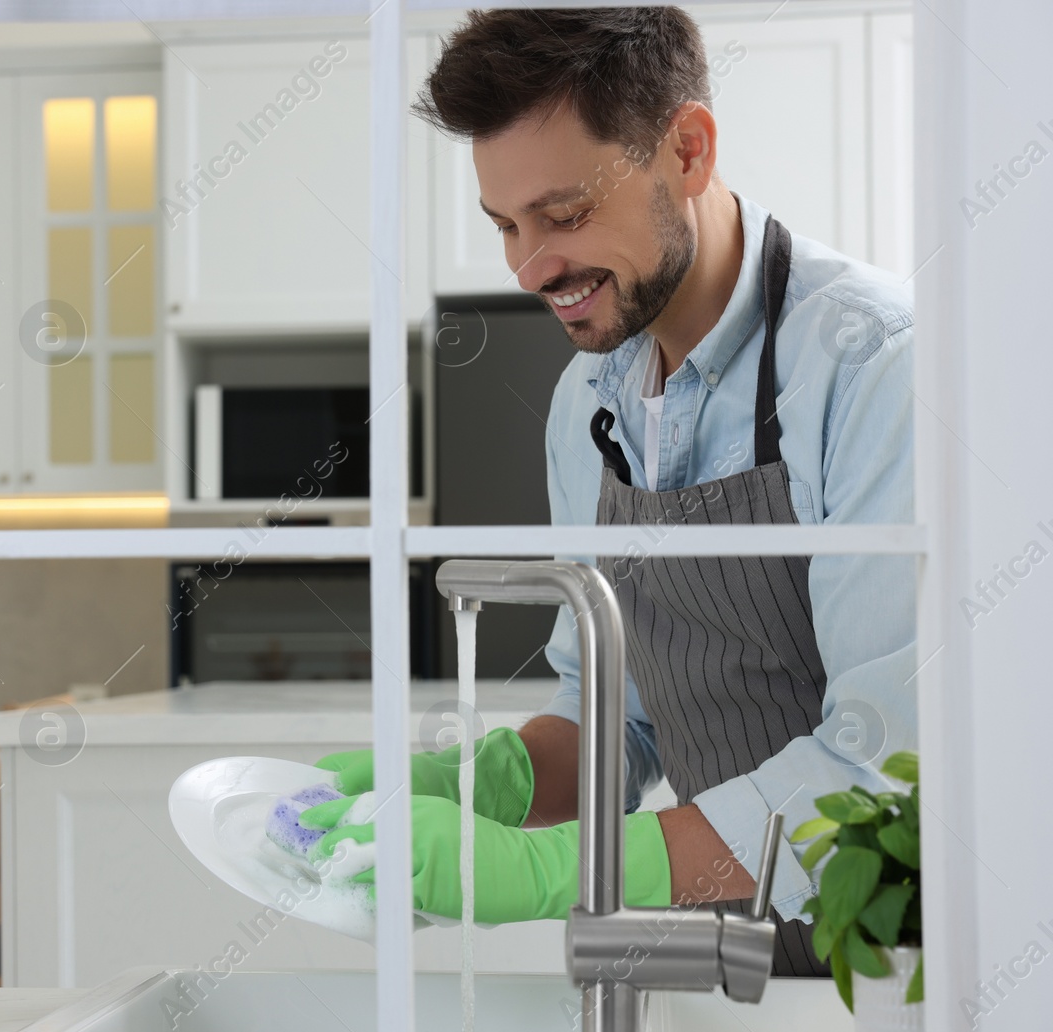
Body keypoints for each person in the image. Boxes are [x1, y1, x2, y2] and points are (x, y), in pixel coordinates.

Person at [303, 6, 915, 978]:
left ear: (688, 148)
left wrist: (563, 869)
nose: (528, 266)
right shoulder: (588, 399)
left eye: (563, 213)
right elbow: (613, 718)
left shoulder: (872, 366)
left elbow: (877, 777)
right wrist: (478, 787)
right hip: (738, 963)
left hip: (903, 979)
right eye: (505, 225)